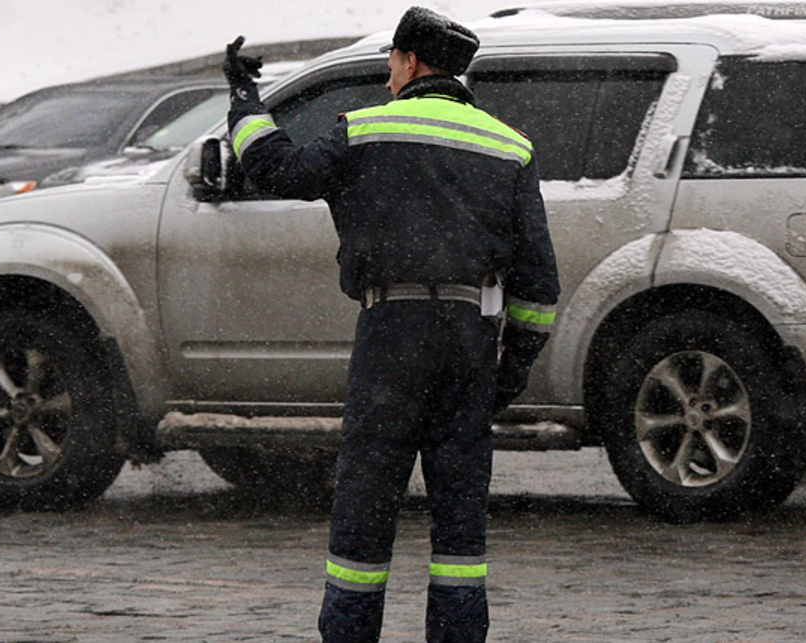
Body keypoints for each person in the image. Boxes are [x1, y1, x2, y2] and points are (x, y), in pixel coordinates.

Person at [223, 7, 560, 642]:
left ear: (410, 62)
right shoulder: (511, 147)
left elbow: (273, 168)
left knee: (364, 508)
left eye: (390, 66)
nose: (385, 81)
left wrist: (244, 98)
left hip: (391, 336)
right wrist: (507, 373)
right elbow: (538, 284)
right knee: (462, 525)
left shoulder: (366, 130)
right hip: (470, 340)